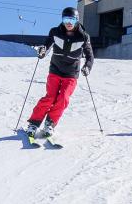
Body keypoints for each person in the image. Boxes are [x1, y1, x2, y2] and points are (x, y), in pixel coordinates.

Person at [26, 8, 93, 143]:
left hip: (71, 73)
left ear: (77, 20)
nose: (69, 23)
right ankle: (34, 123)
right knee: (50, 97)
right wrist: (42, 51)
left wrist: (87, 67)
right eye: (66, 20)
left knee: (63, 98)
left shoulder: (84, 36)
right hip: (55, 69)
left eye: (72, 20)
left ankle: (50, 123)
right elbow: (46, 46)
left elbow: (90, 55)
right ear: (62, 20)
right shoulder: (55, 32)